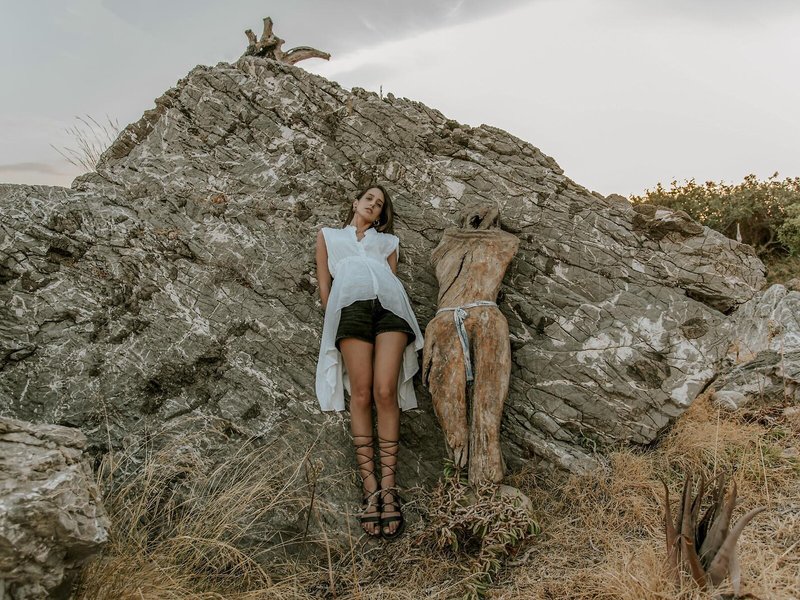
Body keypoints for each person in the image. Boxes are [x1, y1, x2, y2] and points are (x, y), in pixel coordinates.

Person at [315, 185, 424, 539]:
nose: (373, 206)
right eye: (369, 200)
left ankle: (389, 490)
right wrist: (333, 317)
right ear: (356, 203)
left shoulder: (388, 243)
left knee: (385, 392)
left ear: (380, 214)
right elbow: (325, 287)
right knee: (360, 394)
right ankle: (370, 489)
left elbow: (391, 277)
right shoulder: (329, 236)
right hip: (350, 309)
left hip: (391, 308)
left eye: (379, 205)